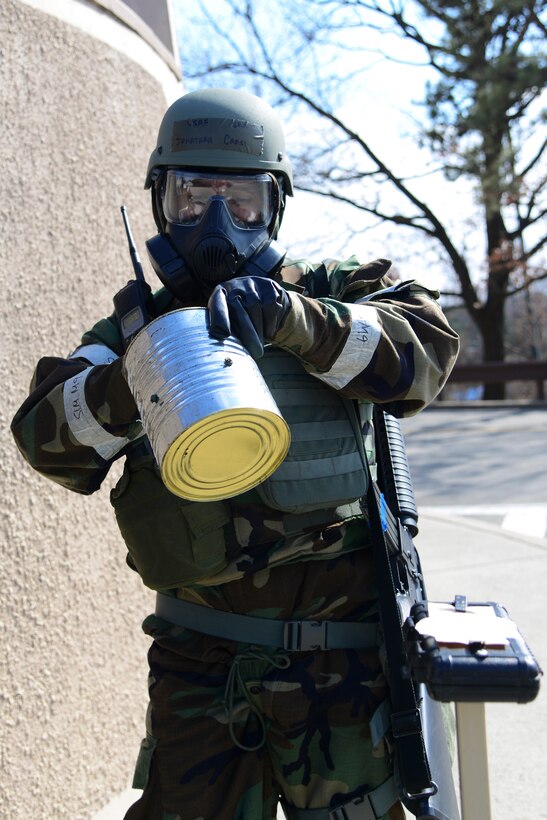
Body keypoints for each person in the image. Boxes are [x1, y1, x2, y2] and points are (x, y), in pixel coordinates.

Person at [11, 88, 459, 820]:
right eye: (194, 196)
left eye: (240, 198)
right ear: (159, 201)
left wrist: (296, 323)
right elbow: (46, 443)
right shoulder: (134, 328)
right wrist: (144, 374)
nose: (217, 222)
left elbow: (424, 356)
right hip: (201, 671)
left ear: (273, 204)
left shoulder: (334, 291)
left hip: (343, 672)